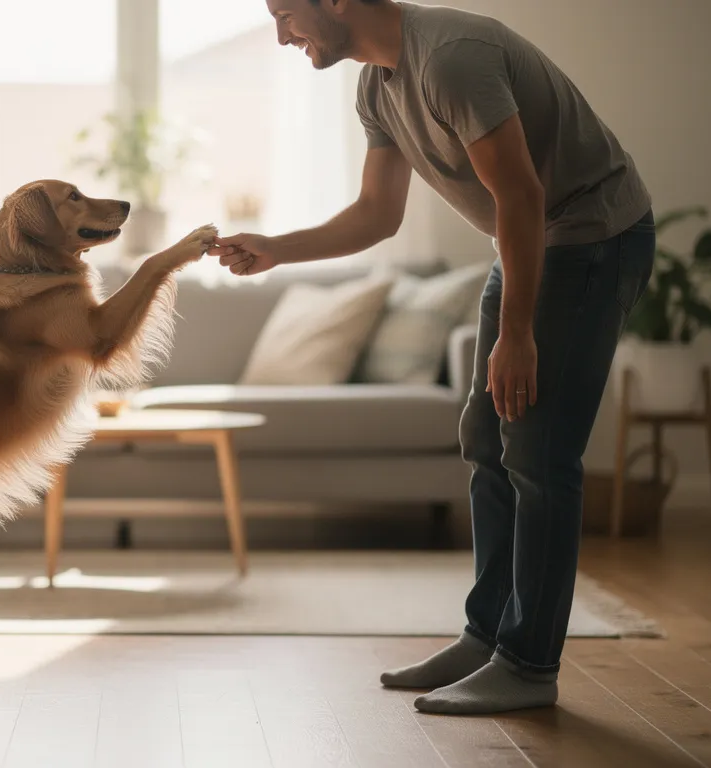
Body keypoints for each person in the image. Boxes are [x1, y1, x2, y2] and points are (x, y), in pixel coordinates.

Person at [210, 0, 656, 715]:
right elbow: (377, 215)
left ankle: (529, 663)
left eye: (287, 13)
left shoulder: (451, 57)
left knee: (539, 452)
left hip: (593, 238)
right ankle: (487, 638)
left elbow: (519, 192)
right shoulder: (376, 87)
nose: (280, 34)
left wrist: (517, 335)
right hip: (531, 242)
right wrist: (276, 250)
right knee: (486, 435)